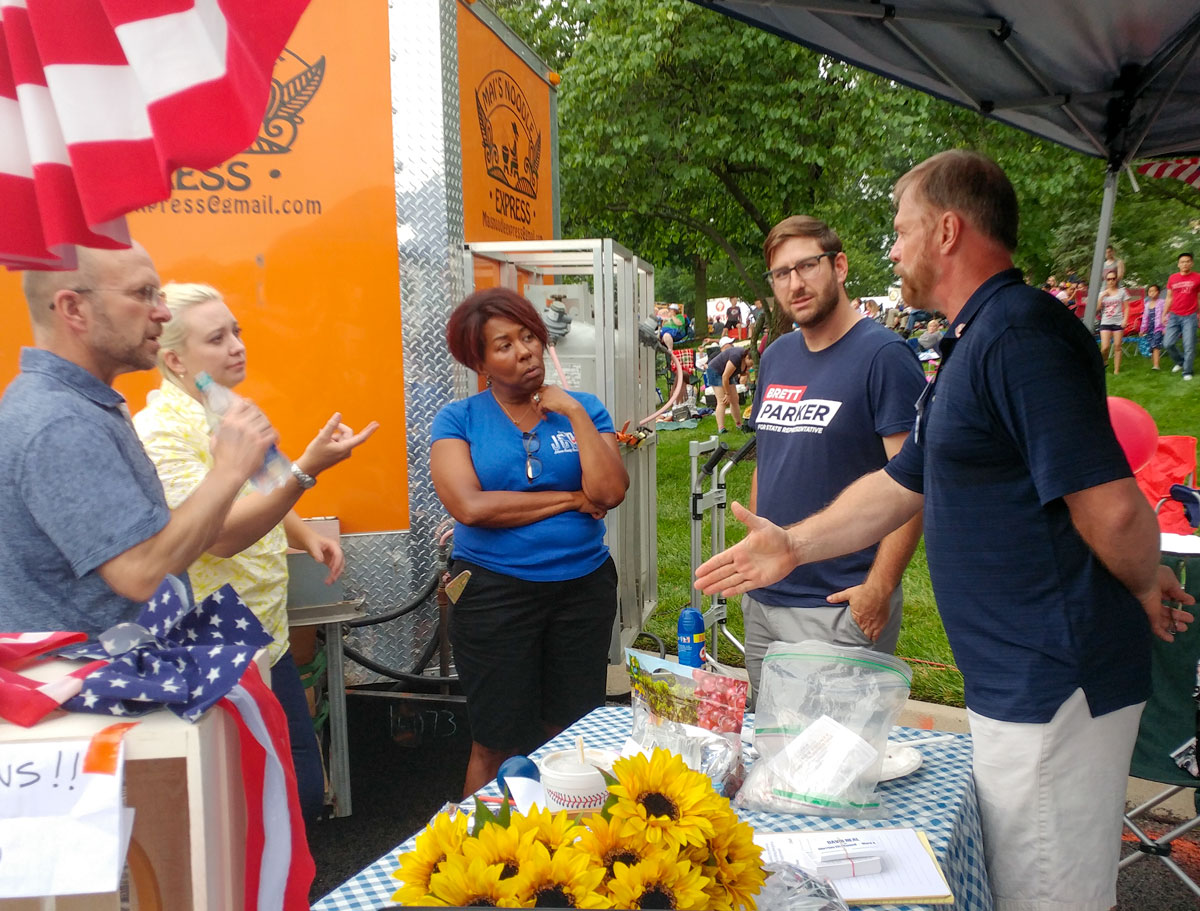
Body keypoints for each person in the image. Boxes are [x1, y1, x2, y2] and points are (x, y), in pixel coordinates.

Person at [696, 150, 1194, 911]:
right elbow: (902, 481)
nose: (891, 249)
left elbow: (1117, 507)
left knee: (1049, 893)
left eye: (901, 230)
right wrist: (792, 543)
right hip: (1015, 678)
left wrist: (1142, 579)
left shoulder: (1022, 335)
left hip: (1055, 680)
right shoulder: (975, 337)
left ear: (949, 230)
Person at [133, 282, 378, 821]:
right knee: (253, 807)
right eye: (217, 338)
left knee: (297, 793)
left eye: (236, 331)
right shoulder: (159, 433)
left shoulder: (230, 408)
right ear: (174, 359)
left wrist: (303, 533)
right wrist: (307, 470)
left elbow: (267, 483)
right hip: (210, 645)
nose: (237, 346)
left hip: (267, 635)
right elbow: (217, 535)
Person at [0, 244, 277, 635]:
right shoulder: (61, 421)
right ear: (73, 309)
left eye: (158, 294)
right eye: (142, 294)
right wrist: (229, 470)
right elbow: (141, 573)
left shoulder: (73, 403)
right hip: (88, 683)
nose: (162, 312)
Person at [430, 287, 628, 796]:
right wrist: (569, 499)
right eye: (503, 345)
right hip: (494, 593)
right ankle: (480, 857)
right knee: (497, 741)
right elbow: (471, 507)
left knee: (571, 731)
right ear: (481, 361)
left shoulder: (583, 409)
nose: (523, 351)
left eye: (528, 337)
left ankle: (565, 850)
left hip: (582, 589)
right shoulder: (460, 419)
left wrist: (574, 413)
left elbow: (608, 491)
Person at [743, 215, 926, 697]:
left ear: (840, 266)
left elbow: (913, 484)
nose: (795, 284)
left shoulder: (884, 355)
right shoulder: (775, 357)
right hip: (765, 596)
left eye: (807, 266)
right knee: (773, 752)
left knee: (831, 763)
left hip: (838, 603)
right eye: (781, 273)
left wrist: (878, 589)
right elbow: (770, 459)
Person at [706, 336, 752, 434]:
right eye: (750, 363)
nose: (751, 366)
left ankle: (739, 424)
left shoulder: (745, 361)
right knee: (722, 400)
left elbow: (742, 373)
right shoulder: (736, 356)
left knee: (735, 399)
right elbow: (725, 377)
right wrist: (727, 393)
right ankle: (721, 428)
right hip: (715, 371)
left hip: (726, 374)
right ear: (747, 357)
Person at [1164, 252, 1199, 380]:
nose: (1185, 264)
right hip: (1174, 315)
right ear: (1178, 264)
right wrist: (1164, 314)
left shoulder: (1197, 277)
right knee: (1168, 343)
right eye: (1182, 262)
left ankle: (1187, 371)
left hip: (1190, 316)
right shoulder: (1172, 278)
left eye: (1188, 261)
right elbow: (1169, 297)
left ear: (1191, 263)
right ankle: (1180, 362)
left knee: (1189, 345)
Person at [1095, 270, 1128, 374]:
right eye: (1109, 279)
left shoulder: (1122, 292)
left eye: (1113, 279)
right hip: (1106, 321)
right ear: (1106, 280)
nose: (1111, 281)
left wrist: (1125, 320)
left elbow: (1127, 307)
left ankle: (1116, 370)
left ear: (1116, 280)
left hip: (1118, 321)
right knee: (1105, 347)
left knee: (1118, 346)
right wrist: (1101, 296)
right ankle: (1104, 360)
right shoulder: (1102, 293)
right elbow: (1097, 309)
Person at [1140, 283, 1166, 369]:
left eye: (1154, 291)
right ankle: (1154, 364)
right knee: (1152, 346)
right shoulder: (1147, 304)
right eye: (1150, 291)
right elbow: (1145, 318)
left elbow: (1166, 315)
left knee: (1156, 345)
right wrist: (1143, 329)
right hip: (1150, 328)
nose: (1152, 293)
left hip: (1159, 327)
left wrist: (1165, 327)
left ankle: (1156, 365)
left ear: (1158, 292)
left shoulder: (1162, 302)